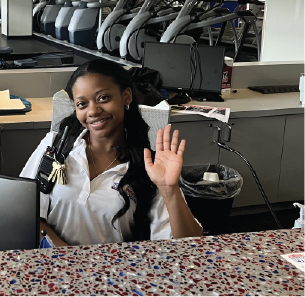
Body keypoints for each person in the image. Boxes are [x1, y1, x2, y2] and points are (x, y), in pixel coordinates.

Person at [20, 59, 203, 247]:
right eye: (82, 104)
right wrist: (67, 257)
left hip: (117, 274)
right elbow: (26, 213)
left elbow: (190, 246)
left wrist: (170, 189)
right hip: (54, 267)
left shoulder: (148, 167)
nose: (93, 111)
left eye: (103, 98)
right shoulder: (55, 146)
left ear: (126, 97)